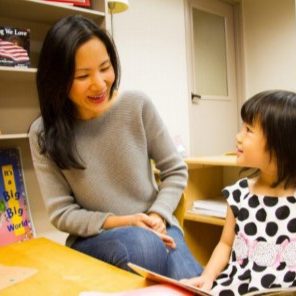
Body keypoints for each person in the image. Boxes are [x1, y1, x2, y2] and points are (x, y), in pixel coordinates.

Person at [28, 14, 202, 280]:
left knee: (197, 286)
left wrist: (157, 214)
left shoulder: (137, 105)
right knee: (145, 246)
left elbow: (175, 170)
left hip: (156, 225)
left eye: (105, 67)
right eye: (82, 75)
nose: (99, 84)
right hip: (97, 237)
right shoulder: (43, 133)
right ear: (58, 80)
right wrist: (125, 221)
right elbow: (63, 214)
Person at [182, 90, 296, 295]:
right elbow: (225, 245)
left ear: (280, 144)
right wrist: (207, 277)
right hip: (237, 286)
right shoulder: (240, 193)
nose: (238, 136)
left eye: (248, 130)